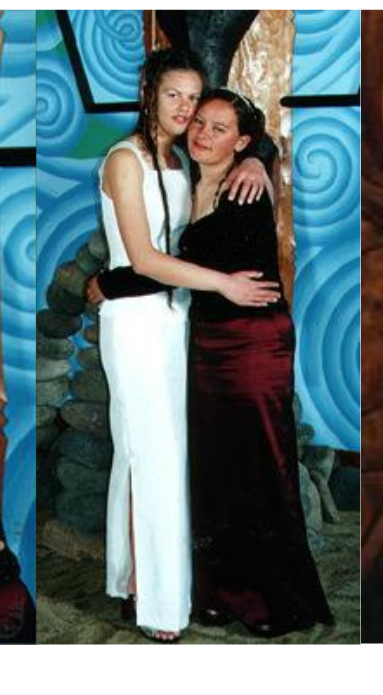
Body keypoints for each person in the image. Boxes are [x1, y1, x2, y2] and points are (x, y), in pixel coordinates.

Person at [92, 90, 334, 637]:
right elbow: (181, 268)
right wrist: (114, 281)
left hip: (252, 344)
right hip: (208, 344)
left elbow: (178, 268)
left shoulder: (244, 191)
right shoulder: (189, 176)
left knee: (258, 466)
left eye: (219, 129)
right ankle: (225, 592)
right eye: (199, 121)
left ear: (242, 141)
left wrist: (110, 281)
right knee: (218, 469)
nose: (202, 133)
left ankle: (276, 601)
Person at [85, 48, 275, 641]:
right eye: (174, 95)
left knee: (149, 452)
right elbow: (144, 258)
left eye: (194, 98)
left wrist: (260, 158)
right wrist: (225, 284)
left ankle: (132, 579)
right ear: (149, 91)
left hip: (176, 320)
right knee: (153, 454)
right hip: (136, 326)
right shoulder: (125, 159)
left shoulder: (180, 157)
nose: (186, 109)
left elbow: (250, 138)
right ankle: (161, 607)